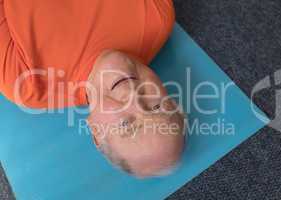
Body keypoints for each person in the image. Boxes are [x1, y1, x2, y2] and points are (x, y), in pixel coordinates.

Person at [0, 0, 185, 178]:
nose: (133, 97)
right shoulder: (157, 16)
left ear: (96, 131)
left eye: (126, 124)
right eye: (156, 107)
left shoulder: (26, 84)